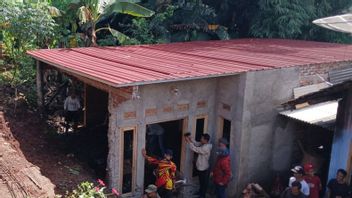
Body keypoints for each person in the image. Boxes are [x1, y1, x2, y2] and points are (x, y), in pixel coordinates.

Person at [185, 133, 213, 198]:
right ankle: (200, 192)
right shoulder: (203, 144)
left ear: (205, 140)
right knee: (201, 182)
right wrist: (190, 138)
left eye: (202, 138)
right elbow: (196, 143)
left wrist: (188, 141)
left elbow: (195, 149)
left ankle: (202, 195)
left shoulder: (206, 148)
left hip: (204, 169)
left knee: (204, 183)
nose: (200, 139)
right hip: (201, 168)